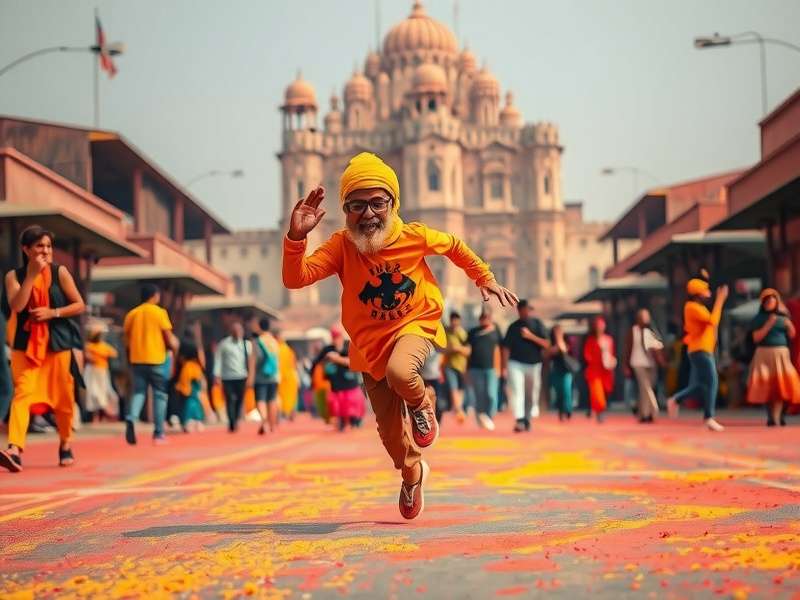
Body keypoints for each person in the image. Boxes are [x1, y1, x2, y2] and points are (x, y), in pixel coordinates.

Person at [282, 152, 516, 519]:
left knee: (401, 372)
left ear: (392, 203)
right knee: (392, 439)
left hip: (414, 325)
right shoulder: (342, 246)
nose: (369, 214)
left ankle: (422, 402)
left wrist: (484, 277)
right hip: (368, 347)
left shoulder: (413, 236)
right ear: (346, 210)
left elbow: (454, 245)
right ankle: (413, 473)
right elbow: (297, 278)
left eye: (377, 203)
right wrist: (296, 238)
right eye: (357, 205)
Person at [0, 226, 85, 472]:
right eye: (39, 246)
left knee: (64, 399)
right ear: (26, 249)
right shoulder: (14, 277)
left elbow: (79, 304)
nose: (45, 251)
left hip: (58, 346)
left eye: (48, 246)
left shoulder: (61, 273)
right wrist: (31, 276)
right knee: (22, 395)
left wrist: (53, 312)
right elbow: (17, 305)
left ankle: (66, 443)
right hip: (25, 347)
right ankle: (15, 449)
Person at [667, 273, 728, 431]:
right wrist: (720, 300)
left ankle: (676, 399)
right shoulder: (692, 308)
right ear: (698, 294)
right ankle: (709, 416)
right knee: (712, 381)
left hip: (703, 349)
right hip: (699, 350)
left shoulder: (698, 308)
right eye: (706, 291)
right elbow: (713, 321)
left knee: (701, 384)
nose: (709, 293)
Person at [123, 284, 178, 445]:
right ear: (154, 296)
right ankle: (159, 434)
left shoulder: (132, 314)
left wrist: (129, 360)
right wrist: (173, 349)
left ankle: (131, 417)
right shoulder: (160, 313)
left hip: (137, 360)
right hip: (157, 360)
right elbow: (168, 338)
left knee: (139, 392)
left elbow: (126, 341)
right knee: (160, 395)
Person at [746, 288, 800, 426]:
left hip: (781, 354)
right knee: (768, 388)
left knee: (783, 387)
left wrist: (788, 322)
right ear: (763, 303)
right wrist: (769, 324)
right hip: (764, 355)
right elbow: (756, 338)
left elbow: (792, 335)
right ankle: (772, 417)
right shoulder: (759, 318)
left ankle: (777, 417)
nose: (770, 302)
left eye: (773, 300)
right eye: (767, 300)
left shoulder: (783, 317)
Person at [502, 299, 549, 432]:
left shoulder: (538, 324)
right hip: (515, 364)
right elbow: (505, 348)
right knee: (517, 391)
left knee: (531, 394)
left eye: (527, 309)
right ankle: (519, 419)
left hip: (534, 364)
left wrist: (531, 336)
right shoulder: (513, 327)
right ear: (519, 311)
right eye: (522, 310)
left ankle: (527, 419)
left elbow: (546, 344)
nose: (525, 312)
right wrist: (504, 367)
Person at [214, 320, 255, 433]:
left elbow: (251, 362)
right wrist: (216, 375)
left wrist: (251, 377)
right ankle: (231, 421)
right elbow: (218, 360)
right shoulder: (224, 344)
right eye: (235, 331)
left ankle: (236, 419)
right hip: (227, 377)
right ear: (231, 332)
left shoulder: (247, 345)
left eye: (239, 331)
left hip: (242, 376)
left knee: (239, 400)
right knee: (230, 399)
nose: (237, 333)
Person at [625, 309, 664, 423]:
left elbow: (658, 346)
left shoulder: (651, 330)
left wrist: (661, 360)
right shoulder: (633, 331)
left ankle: (644, 414)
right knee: (646, 387)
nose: (645, 319)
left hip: (650, 363)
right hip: (637, 362)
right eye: (643, 316)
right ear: (638, 318)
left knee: (644, 389)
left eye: (647, 316)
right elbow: (627, 348)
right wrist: (625, 365)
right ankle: (654, 408)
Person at [323, 327, 366, 431]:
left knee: (351, 408)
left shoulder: (348, 346)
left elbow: (352, 362)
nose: (335, 339)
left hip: (350, 384)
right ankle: (342, 423)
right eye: (334, 337)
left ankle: (353, 422)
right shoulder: (328, 349)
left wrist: (336, 359)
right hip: (336, 384)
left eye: (337, 337)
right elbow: (319, 362)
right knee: (337, 407)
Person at [466, 307, 502, 430]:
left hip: (491, 369)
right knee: (479, 395)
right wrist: (466, 370)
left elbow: (499, 350)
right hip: (475, 369)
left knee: (491, 394)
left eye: (487, 317)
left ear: (491, 318)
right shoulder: (472, 332)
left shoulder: (496, 331)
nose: (484, 319)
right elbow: (467, 351)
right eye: (482, 317)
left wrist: (500, 368)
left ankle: (489, 416)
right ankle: (481, 418)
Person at [250, 316, 280, 434]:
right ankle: (272, 425)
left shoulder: (258, 341)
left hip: (260, 376)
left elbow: (254, 359)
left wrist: (251, 376)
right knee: (272, 400)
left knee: (261, 400)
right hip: (273, 376)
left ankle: (264, 421)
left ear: (259, 327)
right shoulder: (273, 340)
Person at [583, 316, 616, 423]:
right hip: (594, 370)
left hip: (606, 371)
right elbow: (586, 355)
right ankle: (600, 412)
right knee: (597, 393)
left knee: (606, 391)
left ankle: (600, 410)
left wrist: (610, 361)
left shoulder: (609, 339)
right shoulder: (590, 340)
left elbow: (612, 353)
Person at [83, 325, 119, 421]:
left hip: (102, 372)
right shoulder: (89, 345)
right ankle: (96, 417)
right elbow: (88, 357)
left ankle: (102, 415)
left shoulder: (103, 346)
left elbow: (114, 353)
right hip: (92, 372)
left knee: (103, 393)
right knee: (93, 393)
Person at [444, 311, 470, 423]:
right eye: (452, 320)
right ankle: (459, 410)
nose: (454, 322)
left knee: (461, 389)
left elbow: (468, 351)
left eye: (456, 320)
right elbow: (442, 349)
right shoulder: (446, 333)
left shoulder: (463, 334)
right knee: (453, 388)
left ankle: (458, 409)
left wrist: (457, 349)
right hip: (449, 366)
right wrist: (450, 349)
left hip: (462, 366)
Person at [175, 340, 206, 432]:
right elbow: (200, 381)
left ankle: (188, 424)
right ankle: (198, 423)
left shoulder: (187, 367)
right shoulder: (196, 366)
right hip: (196, 397)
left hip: (188, 397)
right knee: (197, 411)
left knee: (187, 410)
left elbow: (184, 383)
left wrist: (179, 389)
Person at [547, 324, 575, 421]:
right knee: (559, 392)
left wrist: (559, 340)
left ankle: (568, 409)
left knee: (566, 391)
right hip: (556, 370)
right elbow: (550, 352)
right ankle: (561, 411)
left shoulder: (567, 340)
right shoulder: (550, 341)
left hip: (566, 370)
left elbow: (563, 349)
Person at [276, 330, 300, 421]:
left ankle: (286, 414)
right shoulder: (288, 350)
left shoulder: (278, 349)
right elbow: (294, 365)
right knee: (290, 396)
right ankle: (289, 413)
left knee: (283, 396)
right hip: (289, 376)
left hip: (282, 377)